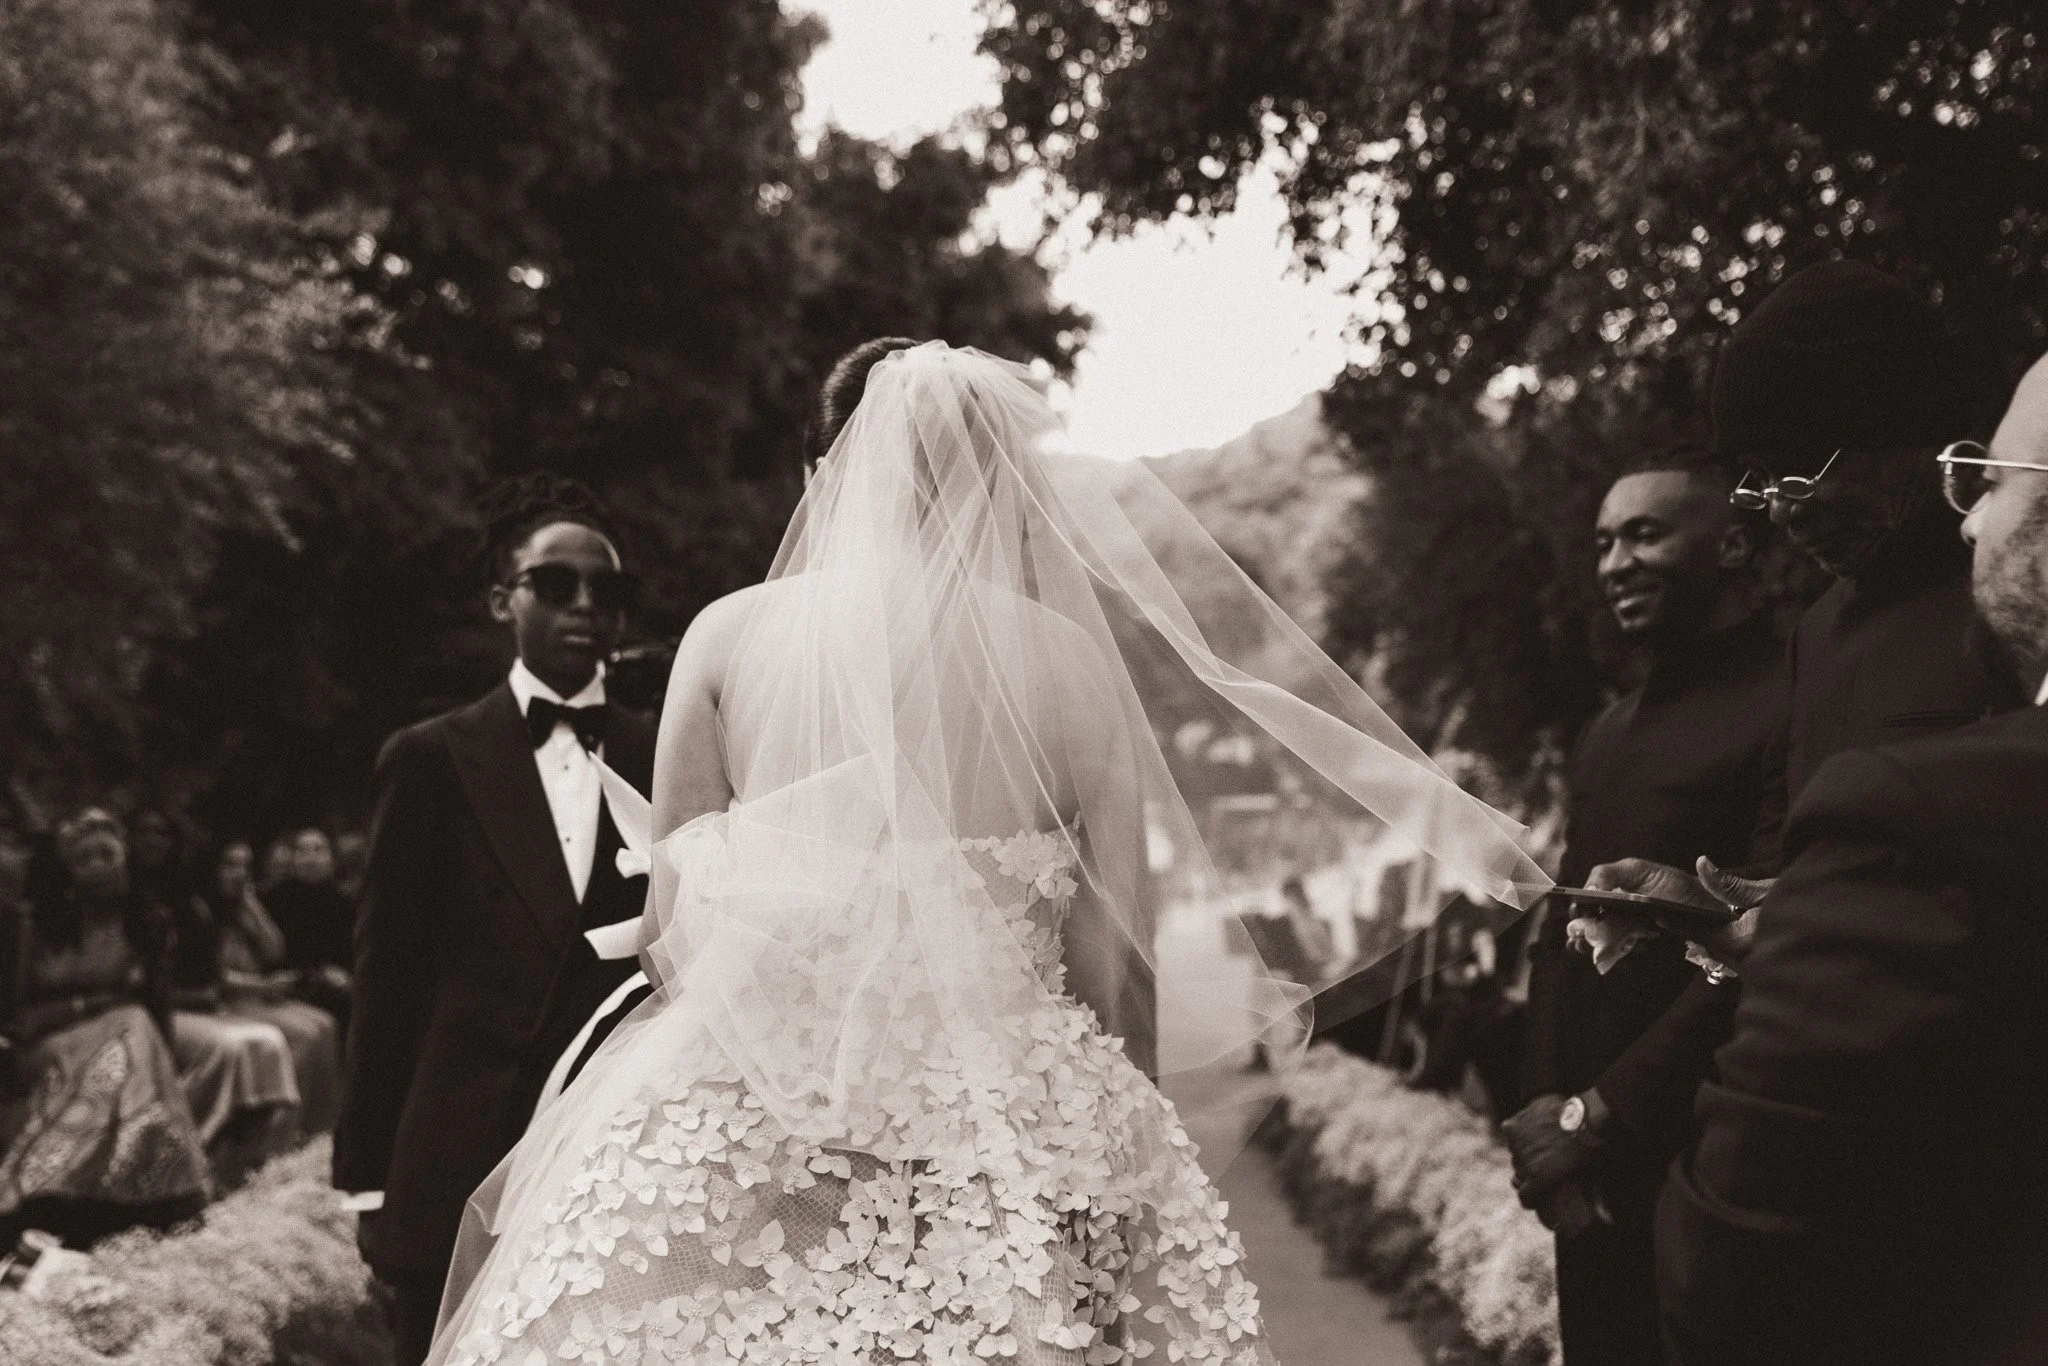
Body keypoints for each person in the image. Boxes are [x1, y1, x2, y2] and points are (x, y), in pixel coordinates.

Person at [426, 341, 1551, 1365]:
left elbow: (673, 942)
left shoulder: (729, 633)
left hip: (753, 1130)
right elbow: (1116, 963)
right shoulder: (1067, 665)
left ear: (827, 472)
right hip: (1007, 1139)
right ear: (996, 482)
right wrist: (1115, 1169)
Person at [1580, 349, 2048, 1364]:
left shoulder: (1963, 682)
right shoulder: (1822, 635)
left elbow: (1728, 1263)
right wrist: (1764, 915)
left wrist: (1601, 1114)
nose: (1967, 513)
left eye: (1991, 480)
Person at [334, 473, 659, 1365]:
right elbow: (386, 975)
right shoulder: (430, 759)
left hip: (610, 1156)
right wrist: (366, 1179)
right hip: (457, 1149)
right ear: (500, 600)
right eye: (555, 584)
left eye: (610, 591)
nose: (586, 606)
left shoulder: (668, 752)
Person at [1500, 446, 1786, 1365]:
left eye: (1646, 534)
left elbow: (1770, 945)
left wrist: (1600, 1114)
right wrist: (1544, 1119)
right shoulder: (1608, 732)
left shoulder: (1792, 702)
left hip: (1712, 1158)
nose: (1615, 561)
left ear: (1734, 545)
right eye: (1604, 542)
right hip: (1588, 1187)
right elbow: (1560, 931)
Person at [0, 809, 212, 1245]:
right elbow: (17, 1019)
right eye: (85, 858)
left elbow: (158, 1009)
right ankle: (55, 1185)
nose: (98, 867)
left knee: (135, 1032)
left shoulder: (146, 923)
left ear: (124, 859)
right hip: (44, 1043)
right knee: (128, 1028)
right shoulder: (36, 924)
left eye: (107, 855)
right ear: (68, 869)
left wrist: (168, 1067)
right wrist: (93, 1003)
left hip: (124, 1047)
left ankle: (137, 1195)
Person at [206, 840, 341, 1135]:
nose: (239, 873)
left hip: (256, 995)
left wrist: (249, 902)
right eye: (231, 864)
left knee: (326, 1026)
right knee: (304, 1036)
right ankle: (280, 1133)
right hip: (227, 1002)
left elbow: (275, 951)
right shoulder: (204, 910)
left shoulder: (243, 906)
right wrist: (262, 986)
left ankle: (317, 1127)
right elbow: (213, 975)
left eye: (245, 865)